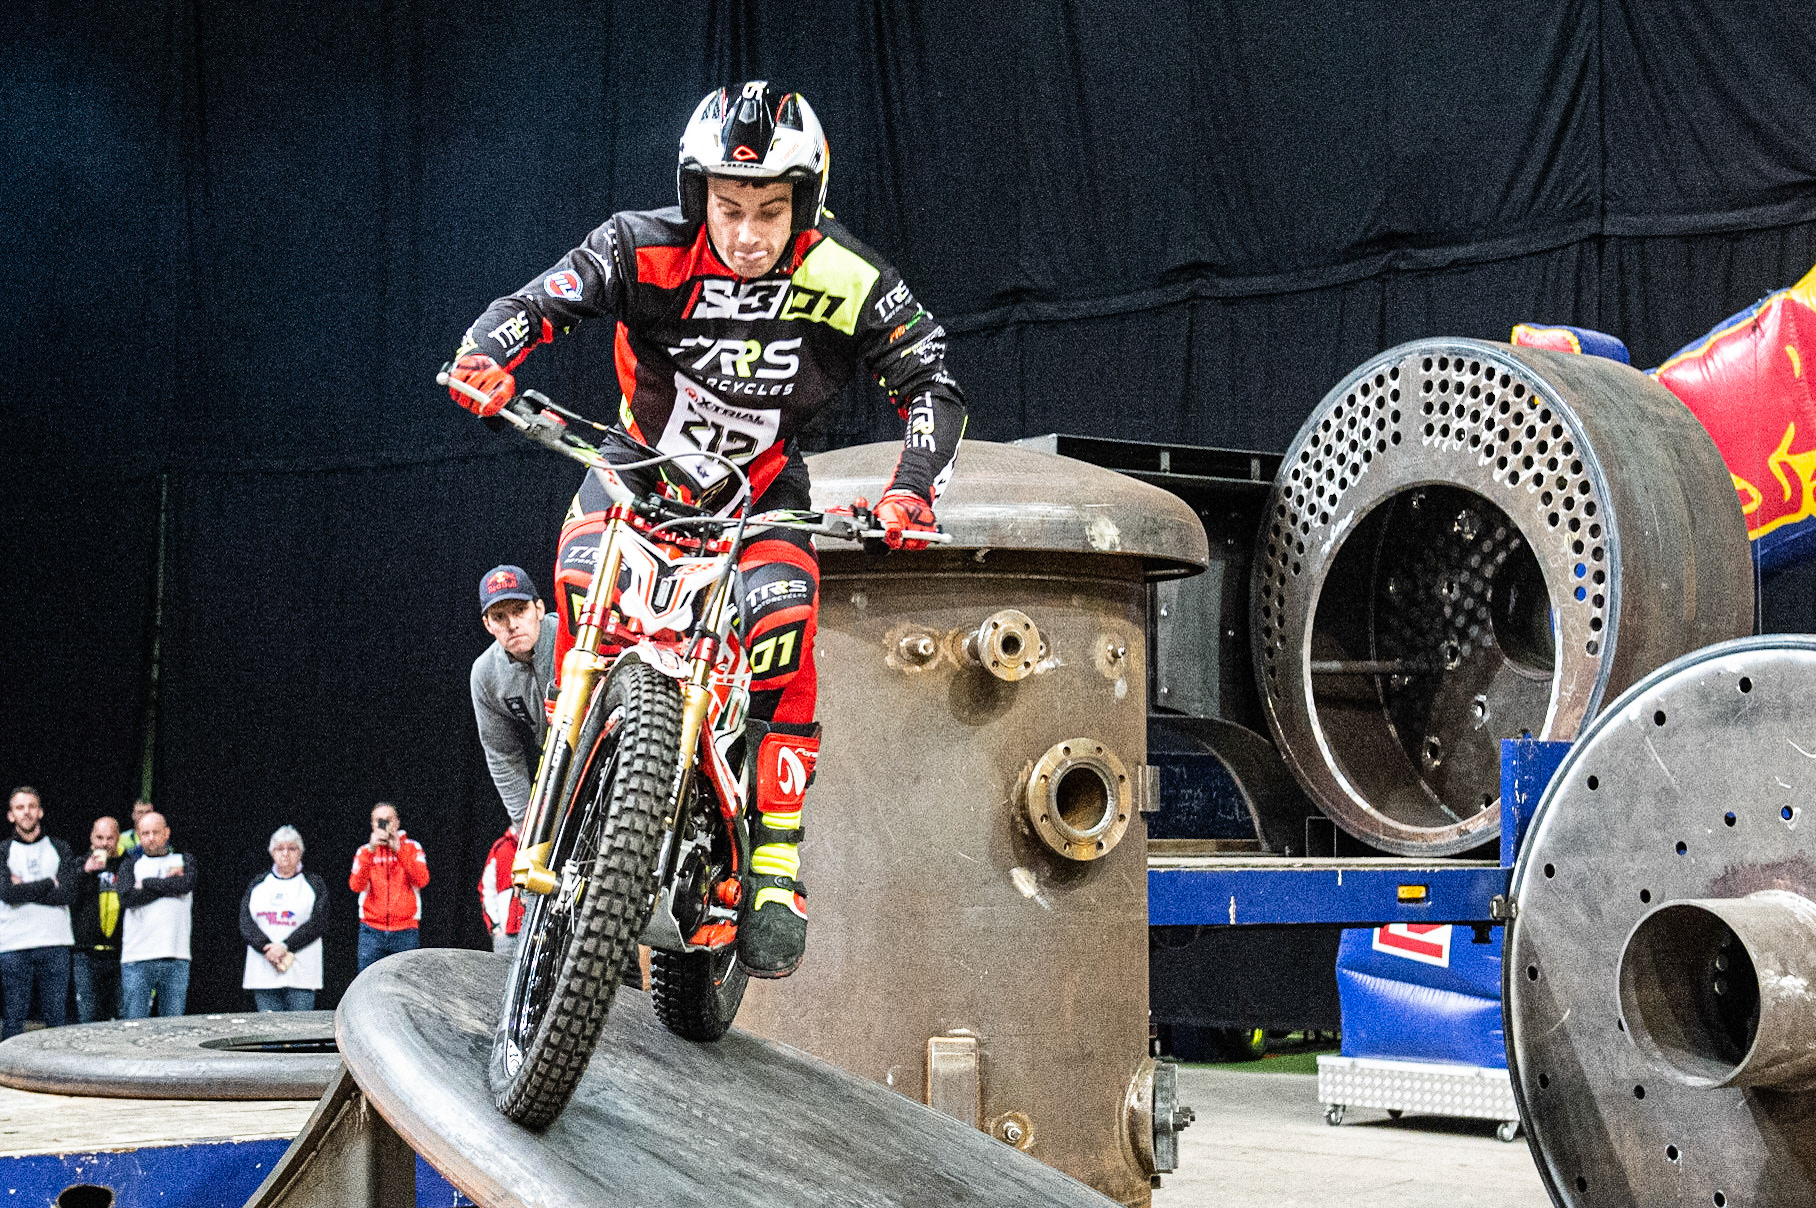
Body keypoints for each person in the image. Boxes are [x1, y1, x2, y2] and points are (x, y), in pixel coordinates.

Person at [444, 81, 965, 977]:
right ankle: (583, 783)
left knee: (785, 630)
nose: (749, 233)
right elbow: (535, 302)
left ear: (806, 202)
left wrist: (912, 490)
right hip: (634, 471)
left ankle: (773, 865)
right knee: (576, 590)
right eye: (729, 208)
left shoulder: (848, 274)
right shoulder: (636, 245)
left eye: (772, 209)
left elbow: (934, 384)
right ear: (698, 196)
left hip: (763, 493)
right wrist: (488, 354)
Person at [470, 564, 556, 829]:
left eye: (520, 610)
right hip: (557, 761)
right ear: (487, 624)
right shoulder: (485, 674)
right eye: (499, 616)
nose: (512, 624)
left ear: (539, 609)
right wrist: (524, 823)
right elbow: (502, 753)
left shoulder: (574, 633)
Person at [0, 787, 75, 1038]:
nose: (26, 812)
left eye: (31, 806)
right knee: (13, 1018)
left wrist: (23, 887)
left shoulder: (60, 847)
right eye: (20, 808)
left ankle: (60, 1075)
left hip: (55, 942)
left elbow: (66, 895)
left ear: (40, 812)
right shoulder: (3, 851)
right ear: (11, 815)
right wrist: (48, 882)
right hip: (14, 944)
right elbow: (7, 894)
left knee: (56, 1018)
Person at [239, 826, 328, 1011]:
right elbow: (245, 921)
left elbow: (319, 922)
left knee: (300, 1034)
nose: (285, 854)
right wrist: (266, 947)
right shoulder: (258, 884)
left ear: (301, 852)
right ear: (272, 852)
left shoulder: (313, 883)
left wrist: (285, 946)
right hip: (263, 973)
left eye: (292, 848)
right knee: (269, 1035)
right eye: (280, 849)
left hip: (301, 974)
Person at [118, 811, 195, 1018]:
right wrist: (168, 886)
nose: (150, 837)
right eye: (145, 833)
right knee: (135, 1023)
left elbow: (185, 885)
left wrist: (146, 883)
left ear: (166, 833)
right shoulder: (130, 865)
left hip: (176, 955)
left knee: (172, 1026)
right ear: (138, 836)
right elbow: (127, 898)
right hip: (138, 957)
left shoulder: (183, 860)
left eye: (155, 832)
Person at [349, 802, 429, 972]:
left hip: (405, 930)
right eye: (379, 821)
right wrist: (371, 850)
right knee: (367, 984)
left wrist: (399, 850)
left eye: (388, 820)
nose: (384, 825)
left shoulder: (412, 848)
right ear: (372, 824)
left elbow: (422, 880)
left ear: (397, 823)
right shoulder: (364, 851)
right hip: (371, 931)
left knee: (406, 984)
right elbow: (356, 885)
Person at [71, 815, 125, 1022]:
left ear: (118, 838)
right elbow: (66, 896)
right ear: (91, 838)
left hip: (120, 954)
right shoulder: (79, 863)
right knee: (87, 1015)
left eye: (109, 838)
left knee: (122, 1016)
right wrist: (85, 871)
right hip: (86, 953)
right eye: (99, 837)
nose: (104, 843)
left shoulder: (127, 864)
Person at [478, 826, 525, 958]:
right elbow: (486, 890)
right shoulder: (502, 847)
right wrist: (496, 927)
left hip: (535, 932)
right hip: (506, 933)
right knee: (502, 975)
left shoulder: (544, 846)